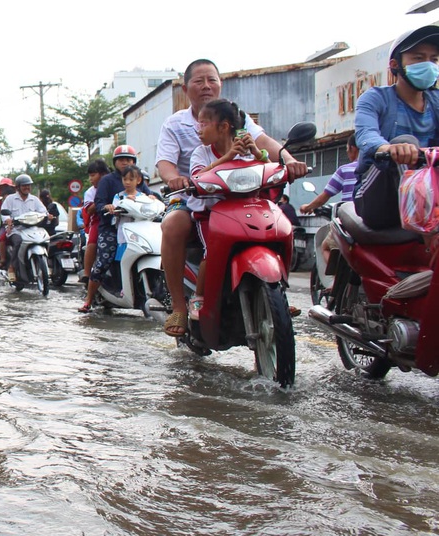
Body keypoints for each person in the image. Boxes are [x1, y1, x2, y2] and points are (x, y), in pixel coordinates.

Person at [157, 58, 307, 336]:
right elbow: (165, 163)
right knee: (174, 224)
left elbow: (266, 147)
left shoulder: (237, 117)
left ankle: (278, 291)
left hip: (240, 196)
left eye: (211, 79)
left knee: (279, 222)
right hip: (193, 196)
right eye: (199, 81)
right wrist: (174, 179)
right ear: (186, 87)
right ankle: (179, 305)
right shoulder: (175, 124)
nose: (206, 86)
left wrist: (289, 161)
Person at [181, 98, 264, 323]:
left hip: (244, 210)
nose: (199, 129)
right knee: (213, 251)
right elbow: (197, 177)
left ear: (223, 127)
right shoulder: (202, 152)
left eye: (204, 123)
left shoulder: (245, 149)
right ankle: (199, 296)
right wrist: (228, 158)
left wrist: (256, 151)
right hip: (210, 215)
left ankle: (273, 290)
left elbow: (265, 164)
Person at [354, 24, 439, 230]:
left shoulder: (436, 101)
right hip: (378, 197)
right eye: (418, 58)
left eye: (434, 59)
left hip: (432, 191)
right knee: (405, 142)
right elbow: (366, 133)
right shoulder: (375, 98)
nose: (428, 65)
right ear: (395, 65)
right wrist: (389, 149)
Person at [81, 146, 155, 312]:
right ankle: (89, 298)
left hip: (137, 227)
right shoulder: (107, 181)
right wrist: (106, 207)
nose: (125, 162)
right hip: (111, 227)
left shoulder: (138, 177)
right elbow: (98, 203)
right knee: (103, 260)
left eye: (129, 159)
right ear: (115, 162)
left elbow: (150, 196)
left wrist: (154, 198)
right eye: (122, 159)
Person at [300, 135, 358, 266]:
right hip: (373, 225)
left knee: (325, 247)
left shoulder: (345, 170)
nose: (348, 153)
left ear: (353, 149)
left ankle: (337, 281)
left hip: (349, 223)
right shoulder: (377, 168)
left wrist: (308, 207)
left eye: (347, 150)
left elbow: (324, 196)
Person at [1, 174, 48, 282]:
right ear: (18, 187)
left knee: (45, 239)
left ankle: (45, 264)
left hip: (33, 229)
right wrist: (7, 219)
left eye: (28, 185)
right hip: (16, 230)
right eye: (24, 186)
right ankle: (12, 267)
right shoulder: (10, 199)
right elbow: (4, 213)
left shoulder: (34, 199)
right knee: (18, 241)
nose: (27, 188)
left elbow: (43, 211)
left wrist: (46, 215)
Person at [78, 159, 109, 284]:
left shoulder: (114, 184)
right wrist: (100, 201)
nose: (91, 179)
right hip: (98, 220)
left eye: (93, 175)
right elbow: (90, 210)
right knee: (92, 242)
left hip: (117, 218)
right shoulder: (90, 192)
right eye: (90, 176)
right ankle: (86, 273)